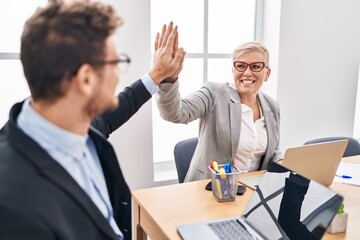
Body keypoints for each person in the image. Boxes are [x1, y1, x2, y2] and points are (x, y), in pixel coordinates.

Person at [0, 1, 184, 240]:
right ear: (86, 79)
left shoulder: (76, 124)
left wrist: (156, 76)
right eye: (116, 63)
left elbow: (110, 116)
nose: (119, 73)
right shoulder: (12, 202)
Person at [156, 41, 282, 182]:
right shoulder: (214, 94)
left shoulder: (272, 106)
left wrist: (283, 161)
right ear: (233, 70)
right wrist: (168, 79)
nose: (247, 72)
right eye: (240, 66)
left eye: (256, 66)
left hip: (252, 191)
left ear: (267, 73)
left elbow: (272, 151)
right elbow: (175, 113)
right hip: (211, 189)